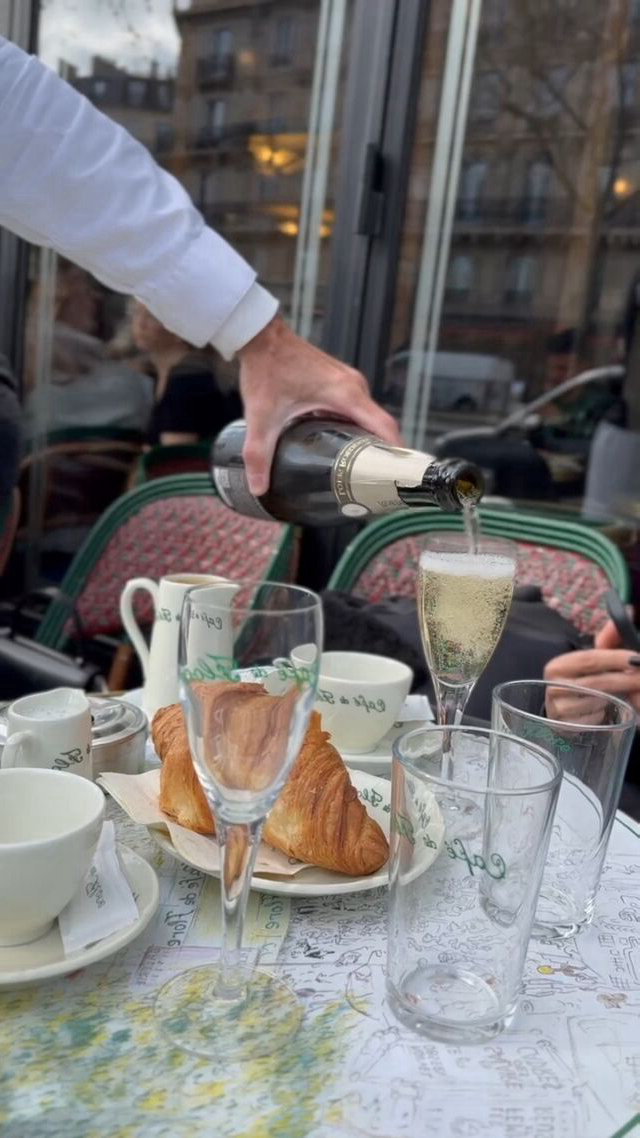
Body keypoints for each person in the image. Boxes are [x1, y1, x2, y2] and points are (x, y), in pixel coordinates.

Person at [0, 36, 399, 501]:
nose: (138, 319)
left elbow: (33, 131)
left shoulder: (178, 387)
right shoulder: (159, 382)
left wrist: (258, 335)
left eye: (145, 310)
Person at [129, 302, 238, 446]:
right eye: (136, 313)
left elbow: (176, 455)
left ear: (180, 327)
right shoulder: (157, 374)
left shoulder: (189, 379)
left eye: (152, 316)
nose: (140, 324)